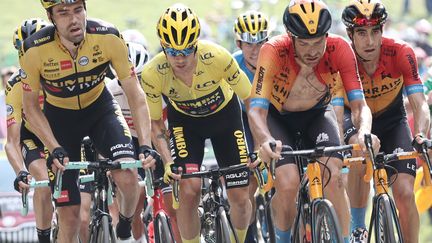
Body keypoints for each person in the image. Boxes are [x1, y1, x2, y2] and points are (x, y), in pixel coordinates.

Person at [20, 1, 157, 242]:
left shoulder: (108, 37)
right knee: (71, 217)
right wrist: (53, 147)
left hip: (100, 111)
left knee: (128, 175)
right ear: (51, 17)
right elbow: (30, 108)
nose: (73, 19)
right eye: (63, 13)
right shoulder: (33, 49)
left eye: (77, 10)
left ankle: (124, 229)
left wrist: (145, 144)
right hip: (60, 121)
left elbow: (136, 95)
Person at [247, 0, 377, 242]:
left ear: (327, 35)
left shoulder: (340, 48)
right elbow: (256, 111)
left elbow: (359, 106)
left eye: (318, 41)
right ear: (290, 37)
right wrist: (264, 140)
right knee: (287, 185)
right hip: (279, 118)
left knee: (335, 177)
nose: (312, 50)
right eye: (304, 43)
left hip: (318, 115)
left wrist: (364, 132)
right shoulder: (273, 50)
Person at [141, 3, 253, 243]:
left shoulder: (218, 56)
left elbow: (251, 100)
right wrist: (168, 162)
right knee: (189, 190)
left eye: (186, 51)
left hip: (225, 118)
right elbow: (155, 122)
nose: (179, 59)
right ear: (163, 47)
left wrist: (259, 142)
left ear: (196, 45)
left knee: (240, 195)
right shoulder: (153, 73)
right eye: (172, 52)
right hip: (186, 124)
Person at [341, 1, 430, 242]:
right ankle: (358, 230)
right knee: (360, 150)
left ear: (382, 30)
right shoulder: (342, 57)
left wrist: (420, 134)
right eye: (361, 33)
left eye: (375, 31)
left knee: (404, 193)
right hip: (354, 118)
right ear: (350, 34)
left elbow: (419, 103)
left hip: (392, 121)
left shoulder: (401, 51)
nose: (369, 41)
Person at [5, 18, 53, 243]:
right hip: (33, 138)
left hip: (65, 133)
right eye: (23, 53)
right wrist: (20, 172)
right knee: (43, 182)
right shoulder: (15, 85)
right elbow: (12, 141)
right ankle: (44, 237)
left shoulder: (61, 71)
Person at [232, 10, 270, 243]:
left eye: (260, 43)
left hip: (271, 116)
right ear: (239, 43)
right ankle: (249, 234)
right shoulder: (233, 63)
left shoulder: (276, 58)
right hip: (243, 119)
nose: (255, 51)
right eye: (249, 44)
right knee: (249, 175)